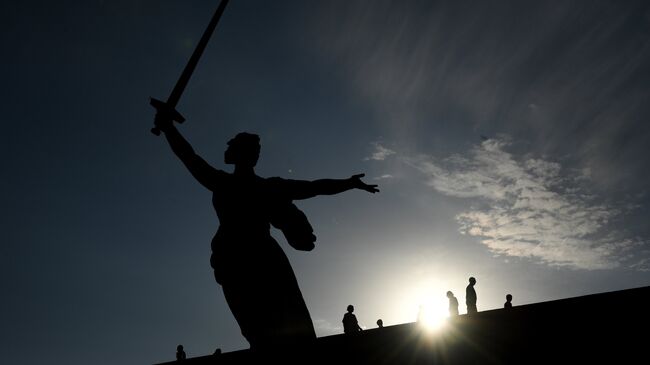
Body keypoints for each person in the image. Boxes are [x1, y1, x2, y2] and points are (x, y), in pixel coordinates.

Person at [153, 114, 379, 350]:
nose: (227, 148)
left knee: (275, 321)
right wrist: (169, 129)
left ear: (240, 154)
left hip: (252, 257)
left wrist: (169, 128)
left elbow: (313, 187)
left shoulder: (233, 183)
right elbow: (314, 187)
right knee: (256, 324)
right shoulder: (256, 185)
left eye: (233, 145)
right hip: (239, 258)